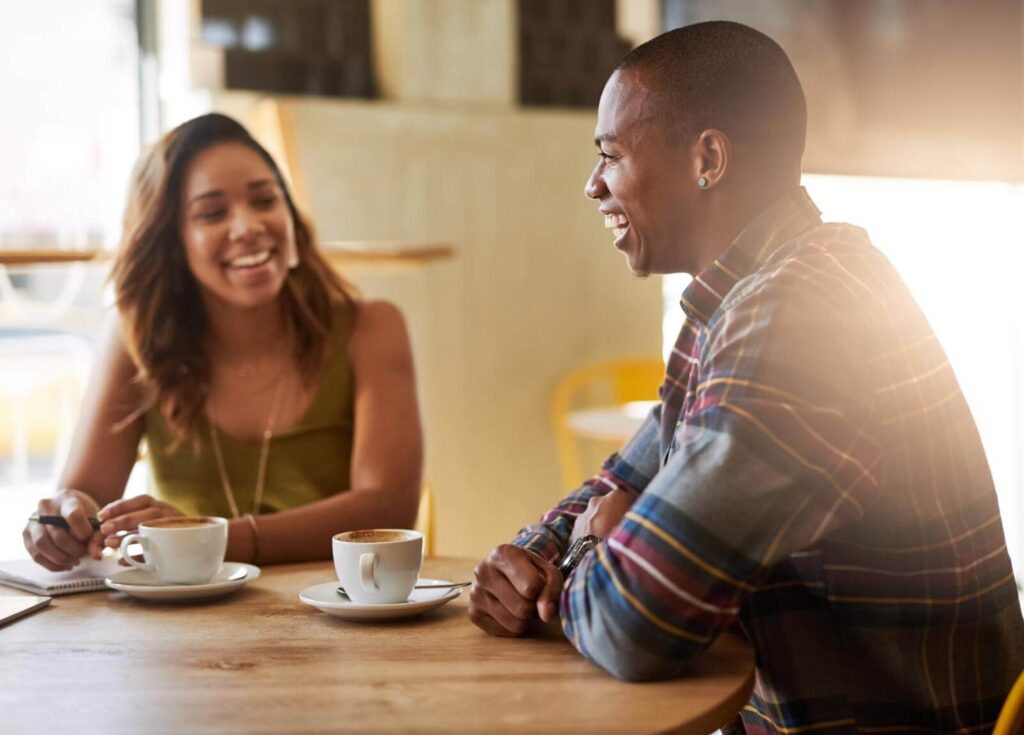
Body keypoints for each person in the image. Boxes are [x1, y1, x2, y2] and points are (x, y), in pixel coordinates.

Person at [469, 21, 1024, 734]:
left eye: (610, 155)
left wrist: (581, 552)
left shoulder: (793, 316)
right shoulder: (748, 296)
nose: (592, 185)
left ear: (707, 158)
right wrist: (537, 553)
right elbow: (624, 479)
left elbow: (636, 623)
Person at [23, 113, 423, 570]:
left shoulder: (372, 327)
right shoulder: (136, 336)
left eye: (265, 200)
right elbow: (86, 499)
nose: (248, 226)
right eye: (213, 213)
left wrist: (206, 539)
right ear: (173, 242)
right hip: (188, 629)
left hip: (340, 614)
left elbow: (387, 509)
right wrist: (61, 523)